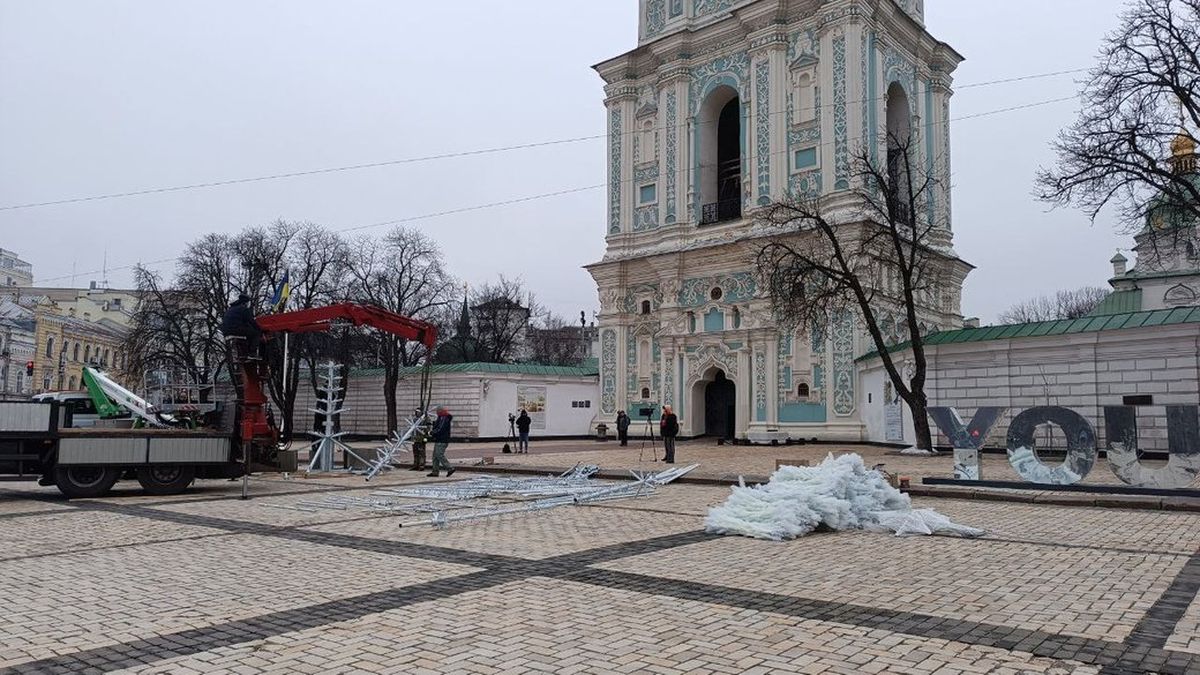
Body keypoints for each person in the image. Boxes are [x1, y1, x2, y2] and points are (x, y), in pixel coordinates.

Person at [220, 293, 263, 359]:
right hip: (235, 329)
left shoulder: (231, 309)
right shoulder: (243, 309)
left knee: (248, 332)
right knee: (256, 333)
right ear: (245, 302)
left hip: (226, 331)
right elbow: (251, 321)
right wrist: (260, 329)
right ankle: (252, 353)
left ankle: (243, 354)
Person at [427, 407, 456, 478]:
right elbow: (437, 427)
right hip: (439, 439)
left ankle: (450, 468)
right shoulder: (441, 417)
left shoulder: (444, 418)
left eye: (437, 411)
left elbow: (440, 429)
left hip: (442, 440)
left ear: (441, 411)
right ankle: (435, 471)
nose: (436, 412)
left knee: (439, 454)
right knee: (435, 456)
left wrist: (432, 433)